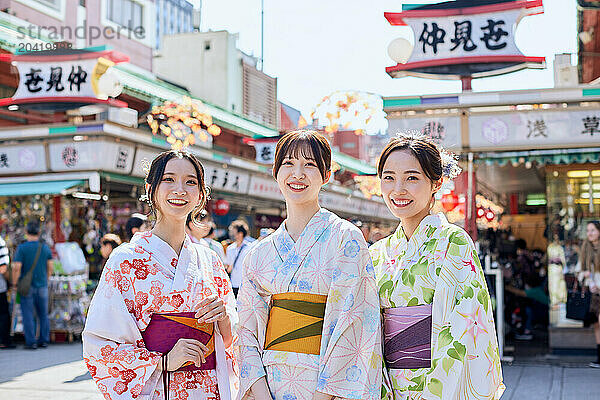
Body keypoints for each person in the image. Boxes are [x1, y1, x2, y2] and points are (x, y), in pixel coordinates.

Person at [236, 130, 382, 400]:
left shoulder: (345, 238)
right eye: (289, 164)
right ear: (276, 171)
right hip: (270, 382)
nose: (298, 174)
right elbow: (246, 330)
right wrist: (261, 392)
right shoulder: (260, 252)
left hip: (325, 385)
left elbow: (353, 321)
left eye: (310, 165)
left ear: (326, 175)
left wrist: (323, 396)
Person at [83, 150, 238, 399]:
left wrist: (224, 321)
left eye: (190, 182)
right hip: (157, 386)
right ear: (151, 189)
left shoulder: (209, 259)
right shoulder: (126, 259)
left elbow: (230, 340)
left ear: (201, 195)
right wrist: (163, 361)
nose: (180, 189)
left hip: (208, 387)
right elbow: (101, 344)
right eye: (168, 179)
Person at [369, 134, 504, 399]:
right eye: (388, 177)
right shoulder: (376, 253)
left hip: (438, 380)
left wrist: (433, 392)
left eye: (411, 178)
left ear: (436, 183)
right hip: (385, 385)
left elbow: (464, 323)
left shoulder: (453, 241)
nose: (398, 189)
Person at [12, 221, 53, 350]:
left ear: (26, 232)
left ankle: (31, 342)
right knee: (43, 314)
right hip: (42, 286)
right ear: (39, 233)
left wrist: (14, 283)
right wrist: (45, 279)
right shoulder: (44, 247)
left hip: (26, 286)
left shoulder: (22, 248)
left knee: (28, 314)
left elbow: (17, 268)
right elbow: (50, 266)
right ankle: (44, 340)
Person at [580, 221, 600, 368]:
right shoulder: (585, 247)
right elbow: (579, 271)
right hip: (592, 292)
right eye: (588, 231)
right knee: (597, 325)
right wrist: (585, 275)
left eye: (593, 230)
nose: (590, 233)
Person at [224, 220, 253, 297]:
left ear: (240, 234)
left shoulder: (250, 248)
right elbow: (229, 267)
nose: (232, 235)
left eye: (234, 232)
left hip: (245, 285)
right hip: (233, 283)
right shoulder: (230, 248)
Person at [0, 234, 14, 349]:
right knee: (3, 313)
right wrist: (10, 280)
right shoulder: (0, 242)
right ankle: (4, 340)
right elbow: (3, 267)